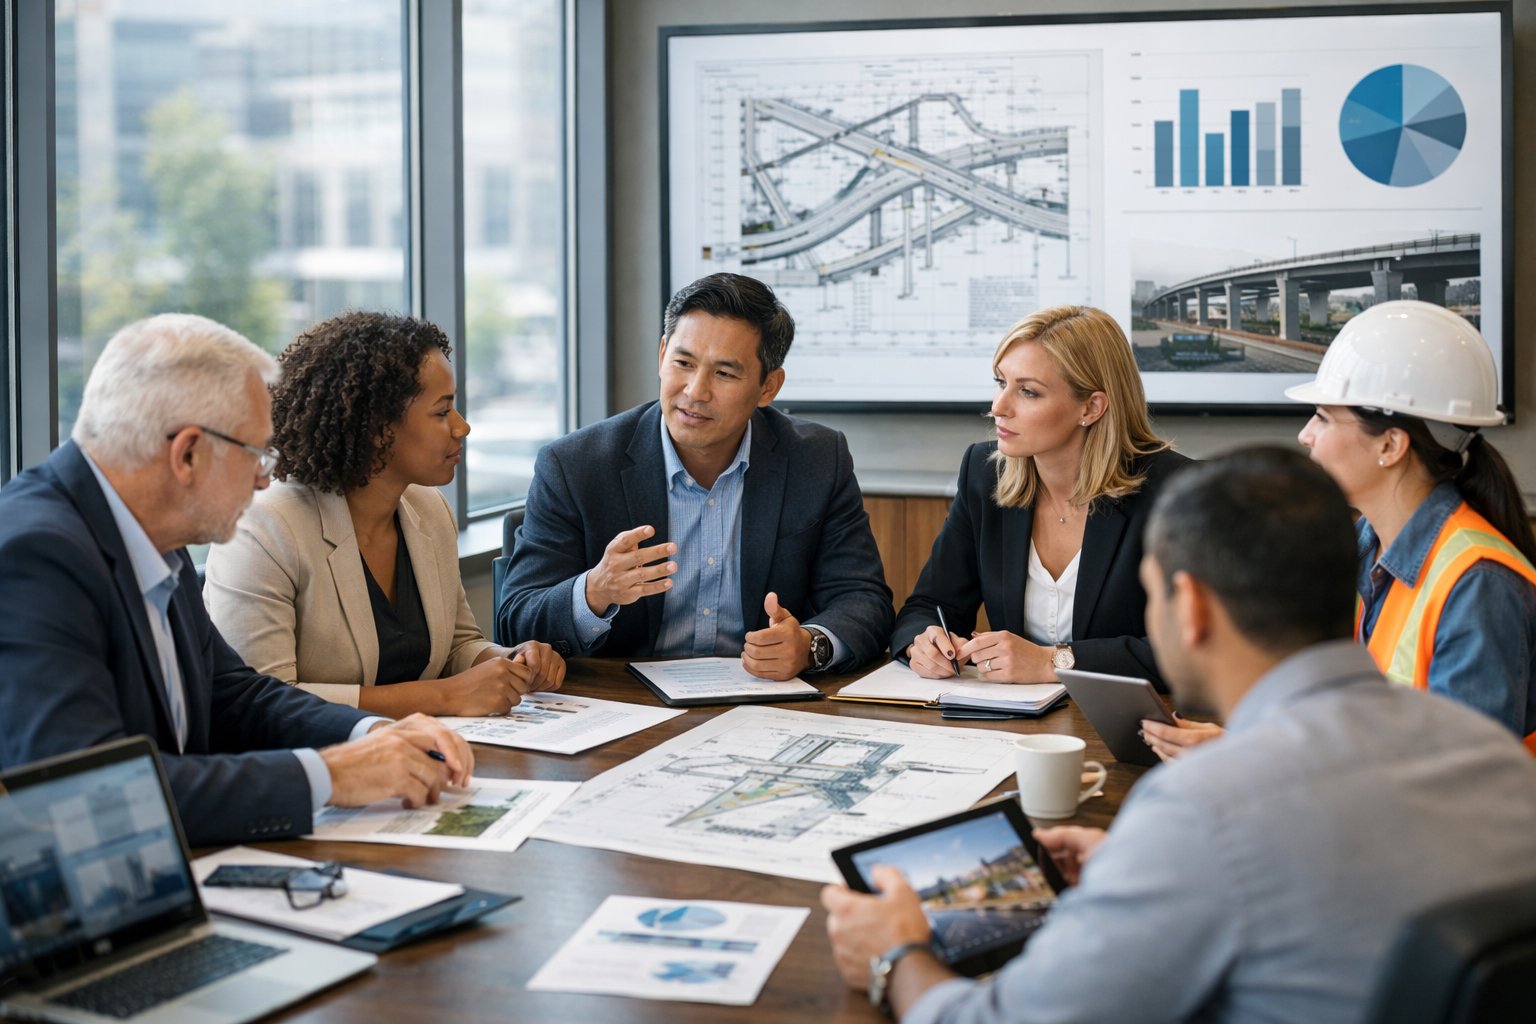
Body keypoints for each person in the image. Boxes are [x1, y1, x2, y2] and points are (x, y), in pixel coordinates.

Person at [822, 447, 1536, 1024]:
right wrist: (1142, 871)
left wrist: (898, 957)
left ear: (1188, 606)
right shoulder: (1489, 754)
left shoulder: (1204, 810)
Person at [0, 314, 474, 847]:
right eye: (254, 451)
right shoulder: (33, 556)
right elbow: (90, 793)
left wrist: (372, 735)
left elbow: (232, 694)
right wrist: (332, 775)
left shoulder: (151, 534)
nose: (265, 476)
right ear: (188, 454)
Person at [1143, 300, 1536, 760]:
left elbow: (1457, 781)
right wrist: (1246, 750)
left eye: (1325, 418)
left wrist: (1259, 762)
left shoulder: (1479, 586)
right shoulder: (1363, 547)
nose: (1305, 435)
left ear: (1390, 445)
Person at [497, 272, 892, 679]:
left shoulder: (816, 459)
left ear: (768, 387)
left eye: (724, 373)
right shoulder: (575, 466)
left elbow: (863, 599)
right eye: (683, 363)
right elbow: (515, 620)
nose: (695, 391)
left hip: (764, 703)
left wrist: (810, 645)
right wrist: (594, 590)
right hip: (622, 703)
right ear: (662, 354)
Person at [205, 312, 564, 717]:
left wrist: (510, 662)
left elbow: (457, 647)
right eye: (442, 412)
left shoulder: (428, 510)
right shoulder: (263, 530)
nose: (462, 427)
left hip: (429, 755)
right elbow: (260, 703)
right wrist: (444, 697)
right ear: (377, 427)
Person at [895, 306, 1188, 687]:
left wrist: (1056, 662)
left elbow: (1193, 648)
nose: (998, 408)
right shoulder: (984, 474)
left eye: (1028, 392)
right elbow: (928, 606)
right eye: (1001, 383)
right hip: (1012, 720)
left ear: (1091, 406)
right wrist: (925, 642)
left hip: (1133, 726)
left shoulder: (1180, 490)